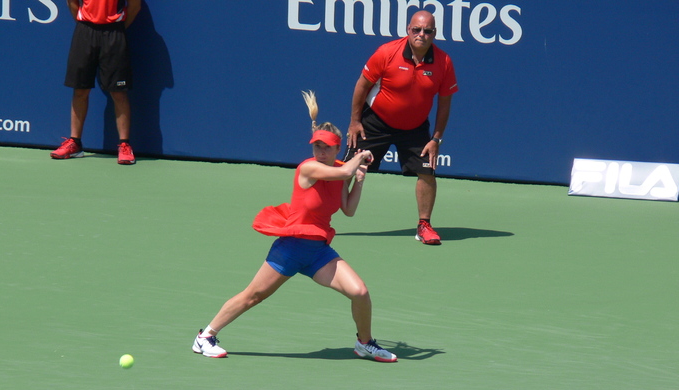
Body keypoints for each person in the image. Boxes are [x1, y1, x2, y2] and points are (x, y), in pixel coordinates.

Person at [192, 91, 397, 363]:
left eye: (326, 148)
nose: (320, 152)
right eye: (317, 146)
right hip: (290, 249)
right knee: (253, 296)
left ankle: (364, 343)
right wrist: (359, 159)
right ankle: (205, 336)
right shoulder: (308, 168)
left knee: (359, 292)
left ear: (337, 149)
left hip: (318, 253)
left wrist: (360, 178)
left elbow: (348, 210)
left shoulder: (339, 169)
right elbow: (344, 171)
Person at [347, 10, 458, 245]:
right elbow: (361, 86)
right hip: (375, 123)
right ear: (408, 30)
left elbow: (444, 104)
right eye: (416, 30)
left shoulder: (444, 62)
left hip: (416, 128)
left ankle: (424, 226)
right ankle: (320, 218)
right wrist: (355, 122)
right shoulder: (387, 52)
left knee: (427, 172)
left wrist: (436, 139)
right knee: (346, 168)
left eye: (427, 31)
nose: (421, 35)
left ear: (434, 33)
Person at [50, 0, 141, 165]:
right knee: (80, 90)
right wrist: (86, 24)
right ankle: (75, 143)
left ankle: (124, 145)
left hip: (115, 34)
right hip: (85, 32)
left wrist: (117, 27)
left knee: (118, 92)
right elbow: (72, 2)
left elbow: (135, 6)